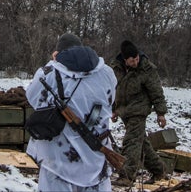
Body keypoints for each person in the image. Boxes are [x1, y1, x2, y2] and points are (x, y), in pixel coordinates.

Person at [25, 33, 117, 191]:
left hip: (58, 160)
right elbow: (110, 100)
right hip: (96, 158)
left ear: (58, 53)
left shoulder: (49, 72)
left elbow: (33, 98)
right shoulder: (107, 73)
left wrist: (54, 62)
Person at [111, 40, 167, 186]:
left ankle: (127, 176)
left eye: (136, 59)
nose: (135, 62)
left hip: (139, 110)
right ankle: (159, 171)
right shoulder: (116, 68)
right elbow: (113, 89)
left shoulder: (147, 69)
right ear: (124, 60)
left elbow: (156, 91)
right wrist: (114, 109)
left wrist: (160, 113)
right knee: (141, 144)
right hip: (124, 110)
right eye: (132, 60)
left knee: (131, 142)